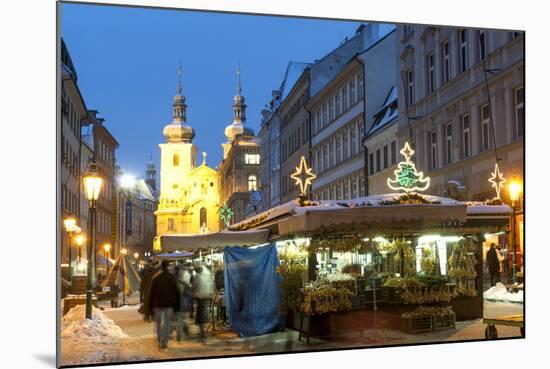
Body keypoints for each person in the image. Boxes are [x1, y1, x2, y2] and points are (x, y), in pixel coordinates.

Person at [149, 260, 179, 350]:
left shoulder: (156, 278)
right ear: (168, 267)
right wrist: (177, 306)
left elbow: (152, 293)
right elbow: (176, 292)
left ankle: (159, 340)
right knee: (167, 324)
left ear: (161, 267)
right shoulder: (172, 278)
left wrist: (150, 307)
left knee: (158, 325)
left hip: (157, 305)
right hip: (169, 305)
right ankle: (164, 343)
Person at [192, 264, 215, 343]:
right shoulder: (207, 275)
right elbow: (211, 286)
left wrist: (194, 293)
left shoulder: (198, 276)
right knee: (202, 317)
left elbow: (194, 286)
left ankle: (203, 334)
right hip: (206, 298)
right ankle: (202, 333)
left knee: (201, 317)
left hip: (201, 299)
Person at [174, 263, 193, 341]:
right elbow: (189, 293)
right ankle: (182, 334)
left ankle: (180, 335)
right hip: (183, 304)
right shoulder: (184, 283)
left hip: (178, 305)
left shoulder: (174, 282)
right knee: (182, 319)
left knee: (179, 320)